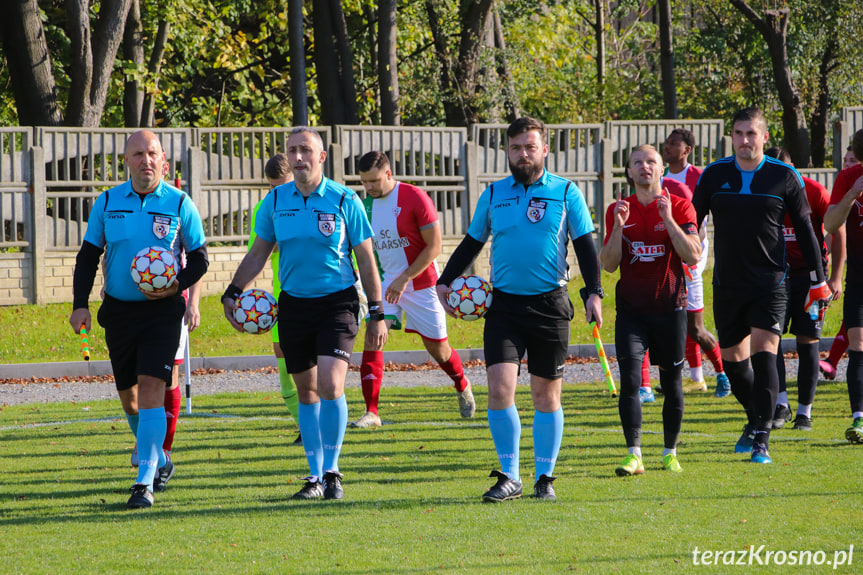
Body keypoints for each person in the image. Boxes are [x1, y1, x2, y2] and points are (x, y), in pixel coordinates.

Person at [436, 117, 603, 502]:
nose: (523, 154)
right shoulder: (494, 194)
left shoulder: (566, 193)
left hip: (550, 304)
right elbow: (472, 242)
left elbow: (584, 246)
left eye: (530, 147)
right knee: (500, 389)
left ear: (544, 149)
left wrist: (594, 291)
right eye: (515, 148)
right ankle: (510, 474)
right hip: (504, 306)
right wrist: (445, 280)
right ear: (507, 152)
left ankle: (544, 476)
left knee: (546, 396)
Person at [222, 127, 387, 501]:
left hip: (338, 303)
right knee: (306, 391)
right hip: (293, 304)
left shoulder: (346, 200)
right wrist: (233, 292)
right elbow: (258, 253)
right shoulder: (275, 201)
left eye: (306, 150)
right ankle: (313, 476)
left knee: (330, 384)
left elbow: (365, 258)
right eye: (292, 150)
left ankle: (332, 471)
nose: (298, 157)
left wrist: (377, 311)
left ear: (321, 157)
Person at [69, 130, 209, 509]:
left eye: (152, 154)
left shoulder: (180, 203)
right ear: (126, 161)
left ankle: (143, 481)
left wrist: (175, 286)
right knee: (129, 398)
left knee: (151, 388)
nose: (146, 160)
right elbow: (87, 256)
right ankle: (159, 457)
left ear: (164, 160)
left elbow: (200, 259)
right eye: (138, 154)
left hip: (163, 312)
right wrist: (79, 303)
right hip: (119, 312)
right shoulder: (108, 201)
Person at [691, 107, 831, 465]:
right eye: (738, 134)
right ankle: (756, 418)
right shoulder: (714, 174)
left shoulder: (784, 176)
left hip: (772, 284)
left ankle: (762, 440)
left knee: (765, 353)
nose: (744, 141)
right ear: (732, 137)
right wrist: (687, 247)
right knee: (734, 364)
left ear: (764, 137)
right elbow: (693, 219)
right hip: (727, 284)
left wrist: (819, 281)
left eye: (751, 134)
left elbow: (805, 229)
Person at [353, 151, 476, 428]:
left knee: (439, 350)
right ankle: (372, 412)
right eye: (364, 182)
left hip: (420, 284)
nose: (368, 187)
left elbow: (435, 246)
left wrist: (405, 277)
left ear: (388, 174)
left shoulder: (415, 197)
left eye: (373, 180)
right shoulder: (363, 206)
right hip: (383, 286)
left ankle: (461, 382)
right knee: (374, 337)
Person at [600, 145, 701, 475]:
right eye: (637, 163)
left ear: (662, 170)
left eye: (651, 162)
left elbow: (692, 255)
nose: (644, 167)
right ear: (628, 171)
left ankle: (670, 452)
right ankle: (634, 455)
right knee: (630, 381)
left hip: (670, 309)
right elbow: (609, 265)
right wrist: (617, 227)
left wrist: (668, 219)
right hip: (631, 312)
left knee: (671, 383)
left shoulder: (681, 205)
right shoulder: (618, 209)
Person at [764, 146, 842, 431]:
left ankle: (804, 413)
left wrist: (835, 277)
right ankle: (781, 404)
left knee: (807, 341)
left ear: (793, 168)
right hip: (774, 278)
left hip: (812, 279)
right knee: (770, 340)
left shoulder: (813, 191)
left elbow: (837, 229)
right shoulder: (763, 193)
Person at [662, 128, 730, 398]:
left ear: (686, 150)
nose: (667, 148)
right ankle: (696, 377)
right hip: (669, 251)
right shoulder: (660, 176)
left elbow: (701, 219)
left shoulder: (697, 177)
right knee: (681, 319)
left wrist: (694, 247)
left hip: (693, 250)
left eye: (673, 144)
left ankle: (722, 373)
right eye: (666, 143)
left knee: (692, 320)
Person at [248, 153, 302, 445]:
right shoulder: (265, 208)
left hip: (322, 297)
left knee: (320, 371)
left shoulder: (315, 199)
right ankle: (304, 426)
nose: (278, 192)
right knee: (285, 368)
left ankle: (320, 425)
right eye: (273, 187)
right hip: (284, 298)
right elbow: (257, 252)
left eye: (283, 185)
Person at [823, 129, 863, 444]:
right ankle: (859, 420)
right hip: (859, 275)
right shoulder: (848, 177)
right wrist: (851, 194)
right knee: (858, 348)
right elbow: (831, 224)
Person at [819, 146, 860, 381]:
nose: (847, 164)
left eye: (852, 160)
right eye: (845, 160)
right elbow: (832, 231)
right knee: (854, 321)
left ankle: (833, 361)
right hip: (856, 272)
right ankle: (833, 362)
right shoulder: (844, 189)